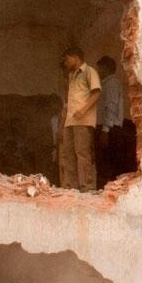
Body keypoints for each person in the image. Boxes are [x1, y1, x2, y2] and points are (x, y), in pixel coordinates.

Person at [59, 47, 101, 192]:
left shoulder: (90, 71)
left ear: (75, 57)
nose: (65, 63)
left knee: (82, 154)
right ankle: (71, 187)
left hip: (83, 120)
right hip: (70, 121)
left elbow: (96, 93)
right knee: (68, 154)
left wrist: (83, 110)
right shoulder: (71, 76)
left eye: (66, 59)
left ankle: (87, 187)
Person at [95, 55, 124, 188]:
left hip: (110, 130)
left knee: (107, 165)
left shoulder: (111, 84)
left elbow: (111, 107)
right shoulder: (106, 83)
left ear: (106, 68)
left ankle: (106, 193)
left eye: (100, 68)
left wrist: (105, 131)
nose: (98, 71)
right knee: (103, 165)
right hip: (107, 128)